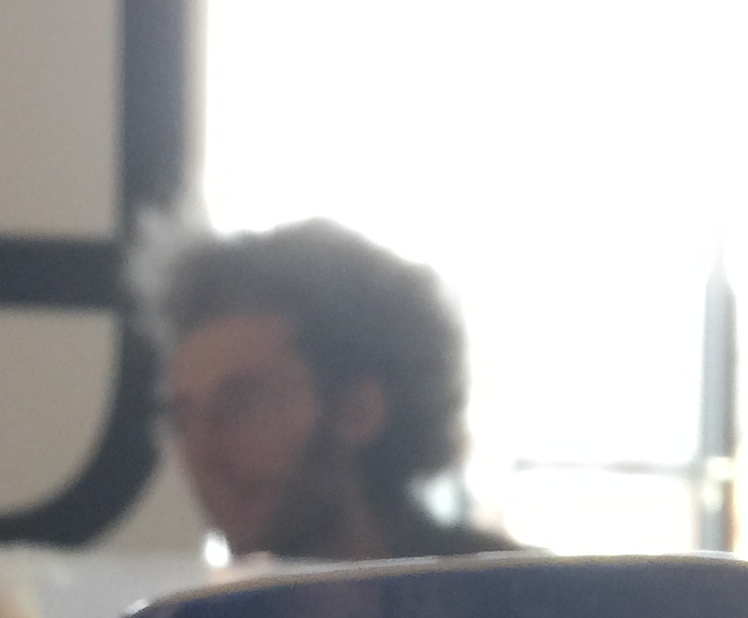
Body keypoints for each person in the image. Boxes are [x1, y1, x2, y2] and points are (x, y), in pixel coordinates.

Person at [134, 216, 515, 564]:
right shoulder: (215, 612)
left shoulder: (509, 593)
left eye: (244, 405)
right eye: (182, 418)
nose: (202, 453)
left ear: (359, 410)